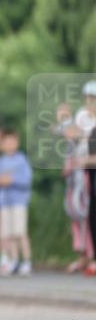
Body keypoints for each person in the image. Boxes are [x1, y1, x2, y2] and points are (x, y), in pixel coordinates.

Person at [0, 129, 33, 276]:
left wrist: (12, 180)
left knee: (20, 232)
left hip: (19, 202)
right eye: (6, 142)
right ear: (1, 145)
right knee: (8, 234)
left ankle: (27, 261)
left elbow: (27, 180)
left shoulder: (22, 160)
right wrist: (0, 182)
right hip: (4, 203)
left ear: (17, 143)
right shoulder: (0, 162)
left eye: (12, 142)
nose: (9, 145)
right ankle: (14, 260)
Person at [65, 81, 96, 276]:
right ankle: (87, 256)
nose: (89, 102)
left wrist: (83, 160)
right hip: (86, 178)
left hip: (88, 172)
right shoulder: (84, 121)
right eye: (87, 98)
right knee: (85, 216)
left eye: (92, 98)